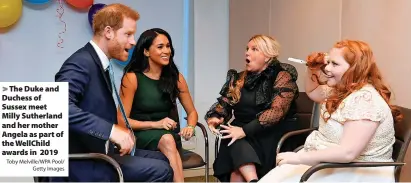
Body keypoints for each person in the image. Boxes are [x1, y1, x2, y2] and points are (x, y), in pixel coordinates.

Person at [54, 4, 173, 182]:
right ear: (108, 32)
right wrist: (111, 131)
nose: (133, 41)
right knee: (161, 170)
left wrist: (118, 133)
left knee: (162, 159)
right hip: (83, 163)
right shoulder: (80, 63)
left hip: (101, 151)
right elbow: (58, 107)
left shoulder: (98, 63)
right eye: (128, 34)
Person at [259, 39, 403, 182]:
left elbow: (347, 153)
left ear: (355, 68)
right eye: (328, 62)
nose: (327, 68)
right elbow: (314, 91)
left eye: (334, 64)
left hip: (357, 173)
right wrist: (312, 69)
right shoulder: (343, 91)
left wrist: (299, 158)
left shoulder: (365, 100)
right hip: (330, 165)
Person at [205, 35, 299, 182]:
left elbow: (276, 112)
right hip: (243, 131)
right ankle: (253, 180)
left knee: (235, 152)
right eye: (247, 49)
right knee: (233, 139)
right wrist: (216, 116)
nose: (247, 52)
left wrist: (244, 131)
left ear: (268, 56)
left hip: (270, 133)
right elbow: (225, 103)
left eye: (254, 49)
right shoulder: (240, 77)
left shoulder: (282, 76)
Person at [117, 28, 198, 182]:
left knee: (168, 139)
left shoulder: (176, 78)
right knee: (167, 139)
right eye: (160, 47)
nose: (166, 51)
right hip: (138, 134)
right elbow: (122, 121)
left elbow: (192, 112)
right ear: (146, 51)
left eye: (168, 46)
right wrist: (156, 124)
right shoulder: (132, 78)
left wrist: (191, 127)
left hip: (168, 137)